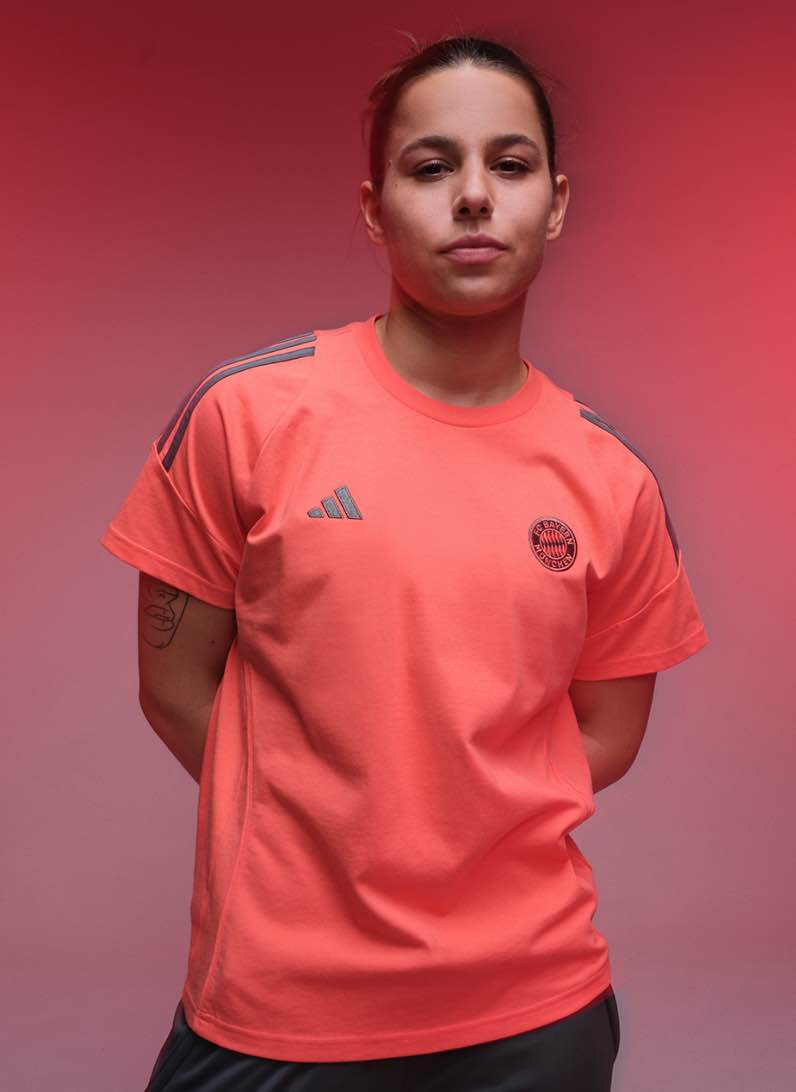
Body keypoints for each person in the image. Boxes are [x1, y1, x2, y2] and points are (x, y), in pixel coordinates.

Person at [100, 32, 709, 1092]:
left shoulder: (614, 480)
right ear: (375, 208)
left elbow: (606, 733)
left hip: (535, 1011)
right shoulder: (246, 417)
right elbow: (175, 690)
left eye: (509, 164)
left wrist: (449, 812)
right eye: (431, 167)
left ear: (555, 204)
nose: (473, 195)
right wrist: (333, 821)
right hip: (281, 1007)